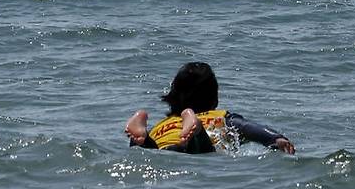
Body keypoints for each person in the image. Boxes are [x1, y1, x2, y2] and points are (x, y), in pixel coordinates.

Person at [124, 61, 295, 155]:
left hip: (163, 145)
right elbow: (247, 128)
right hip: (194, 146)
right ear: (214, 97)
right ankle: (198, 132)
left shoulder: (162, 125)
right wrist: (275, 138)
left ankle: (143, 138)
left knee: (145, 148)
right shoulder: (220, 117)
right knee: (199, 148)